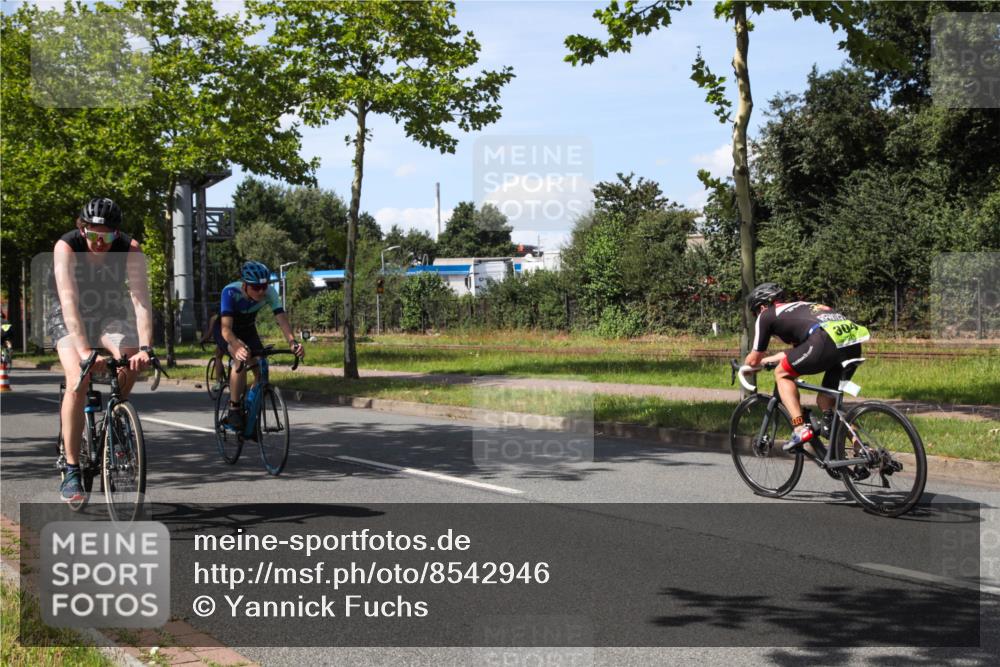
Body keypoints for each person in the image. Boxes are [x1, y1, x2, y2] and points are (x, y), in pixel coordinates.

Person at [49, 197, 154, 502]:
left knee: (130, 352)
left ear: (116, 234)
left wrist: (145, 348)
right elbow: (68, 301)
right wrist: (84, 352)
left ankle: (117, 417)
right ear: (81, 230)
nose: (99, 242)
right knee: (77, 379)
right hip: (67, 314)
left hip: (108, 312)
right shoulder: (66, 246)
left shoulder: (129, 249)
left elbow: (140, 300)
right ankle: (71, 469)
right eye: (93, 234)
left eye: (107, 236)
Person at [742, 283, 870, 452]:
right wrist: (767, 361)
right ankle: (863, 449)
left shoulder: (766, 315)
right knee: (827, 402)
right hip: (852, 342)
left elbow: (753, 360)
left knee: (782, 374)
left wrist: (743, 367)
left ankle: (799, 429)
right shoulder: (800, 307)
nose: (756, 316)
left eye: (755, 312)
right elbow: (795, 353)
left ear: (763, 306)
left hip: (825, 340)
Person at [212, 261, 305, 430]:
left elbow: (281, 318)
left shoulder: (269, 292)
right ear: (245, 285)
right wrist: (235, 345)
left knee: (262, 366)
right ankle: (234, 408)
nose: (261, 291)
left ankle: (249, 406)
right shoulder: (230, 292)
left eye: (264, 286)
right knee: (240, 358)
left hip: (248, 329)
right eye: (256, 288)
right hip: (227, 330)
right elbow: (226, 329)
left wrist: (292, 342)